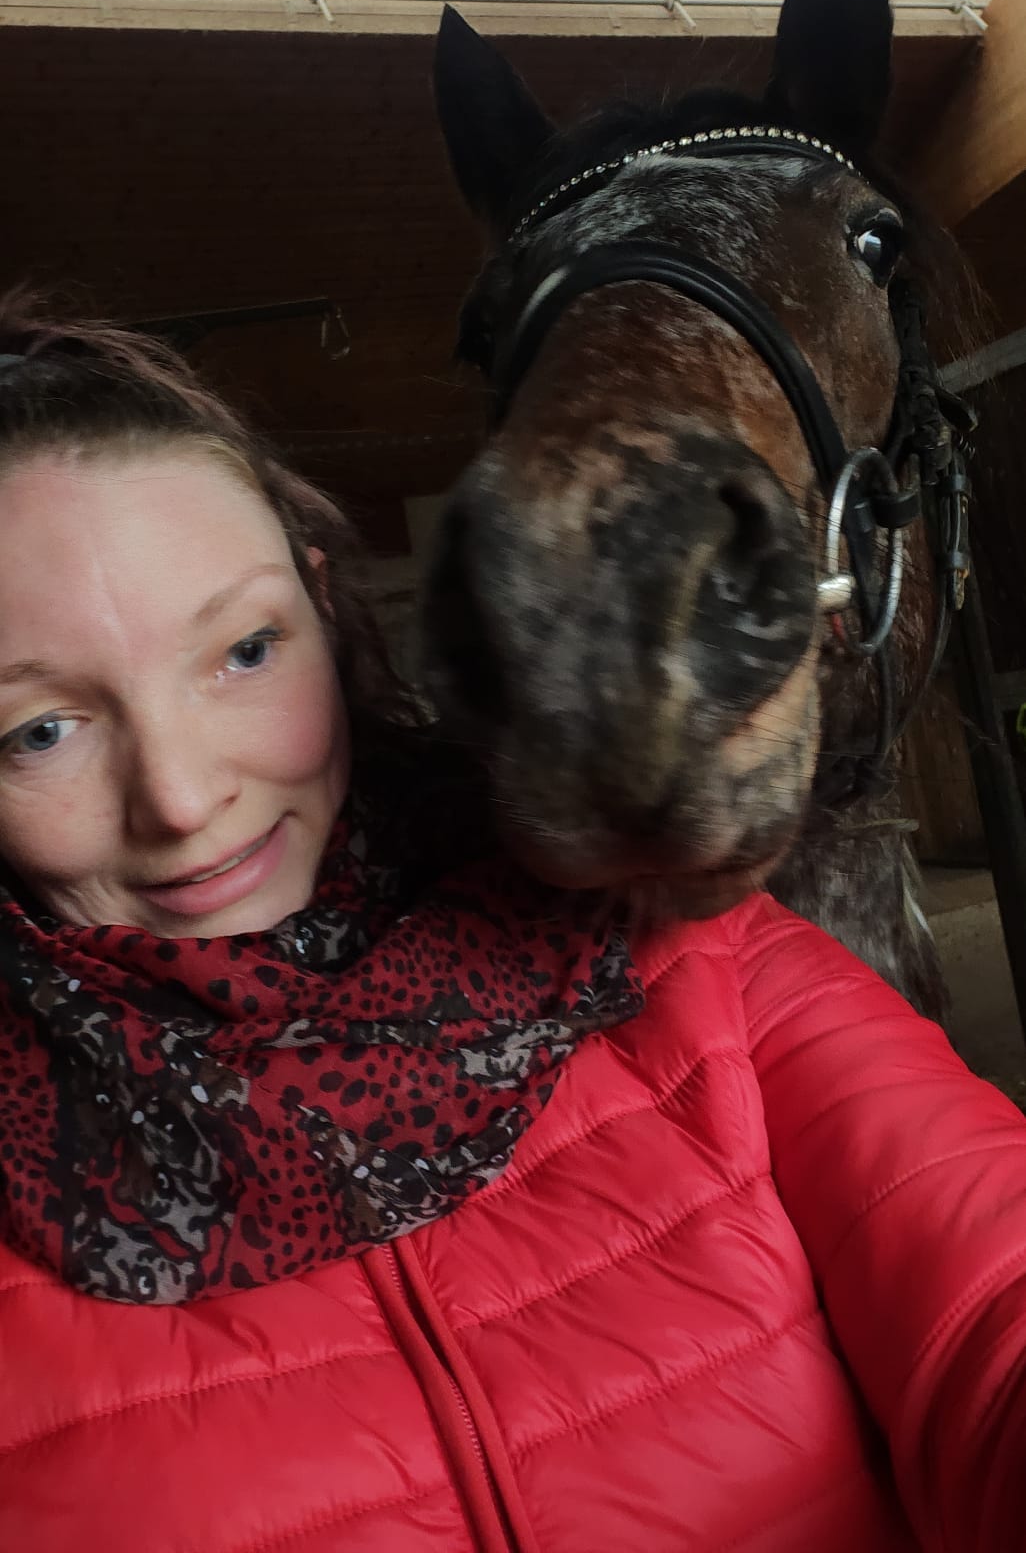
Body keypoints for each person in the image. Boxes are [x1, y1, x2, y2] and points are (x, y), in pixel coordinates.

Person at [0, 297, 1025, 1553]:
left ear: (322, 606)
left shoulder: (668, 949)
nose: (179, 797)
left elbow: (990, 1291)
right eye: (38, 731)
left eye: (246, 652)